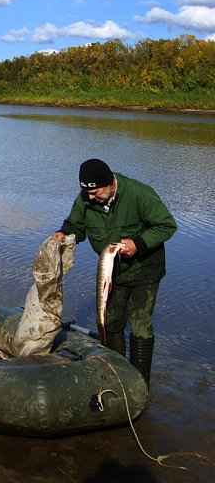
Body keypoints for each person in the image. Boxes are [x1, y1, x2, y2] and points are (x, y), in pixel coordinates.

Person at [53, 158, 177, 387]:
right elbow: (76, 227)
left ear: (110, 183)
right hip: (113, 272)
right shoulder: (85, 198)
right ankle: (117, 374)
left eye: (96, 192)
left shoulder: (139, 194)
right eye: (87, 192)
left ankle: (140, 383)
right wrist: (63, 234)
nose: (90, 197)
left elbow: (167, 225)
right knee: (110, 321)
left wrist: (138, 243)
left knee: (140, 325)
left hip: (145, 271)